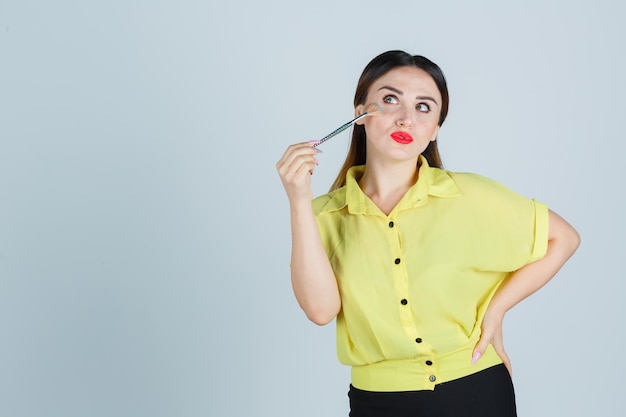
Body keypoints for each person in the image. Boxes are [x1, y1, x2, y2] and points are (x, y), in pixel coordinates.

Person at [276, 50, 580, 417]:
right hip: (377, 402)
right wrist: (298, 200)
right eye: (390, 99)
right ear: (359, 113)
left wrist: (497, 309)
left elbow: (563, 238)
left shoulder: (468, 195)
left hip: (476, 391)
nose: (406, 118)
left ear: (435, 128)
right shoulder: (322, 214)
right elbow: (321, 311)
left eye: (424, 107)